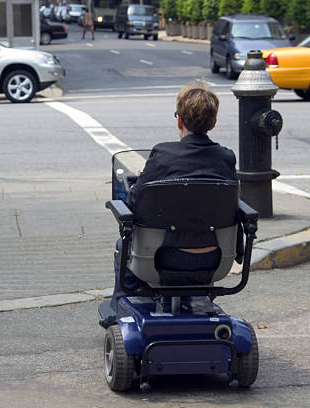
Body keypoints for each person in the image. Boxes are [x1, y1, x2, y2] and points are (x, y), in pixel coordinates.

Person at [99, 82, 238, 328]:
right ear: (213, 123)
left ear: (179, 121)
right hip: (213, 261)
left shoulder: (162, 155)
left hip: (158, 261)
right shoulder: (225, 158)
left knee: (125, 242)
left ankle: (119, 306)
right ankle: (198, 298)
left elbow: (137, 201)